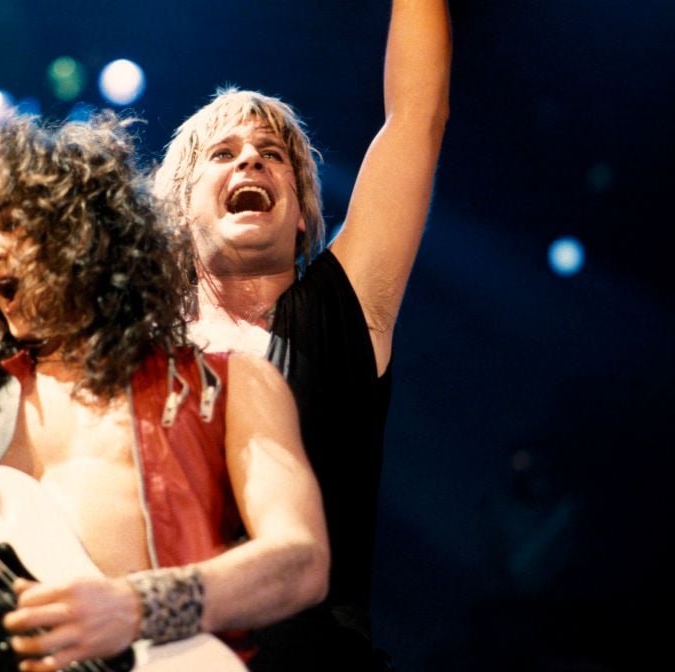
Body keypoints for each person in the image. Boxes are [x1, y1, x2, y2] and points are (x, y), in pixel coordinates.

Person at [0, 112, 328, 672]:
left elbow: (301, 564)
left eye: (13, 226)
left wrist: (133, 607)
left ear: (89, 239)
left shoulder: (227, 384)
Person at [153, 1, 452, 668]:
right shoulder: (140, 351)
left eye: (271, 155)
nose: (251, 163)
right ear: (180, 209)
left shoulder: (343, 312)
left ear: (300, 214)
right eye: (224, 154)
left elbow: (417, 118)